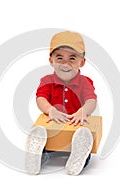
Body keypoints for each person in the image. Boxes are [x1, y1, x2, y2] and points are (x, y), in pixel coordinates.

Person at [25, 30, 97, 175]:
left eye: (72, 58)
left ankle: (77, 158)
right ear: (51, 61)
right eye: (59, 58)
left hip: (75, 125)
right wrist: (50, 109)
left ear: (81, 62)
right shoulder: (46, 80)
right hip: (54, 123)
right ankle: (36, 156)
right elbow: (41, 98)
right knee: (47, 141)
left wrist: (83, 111)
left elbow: (91, 100)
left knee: (82, 136)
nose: (65, 64)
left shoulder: (85, 82)